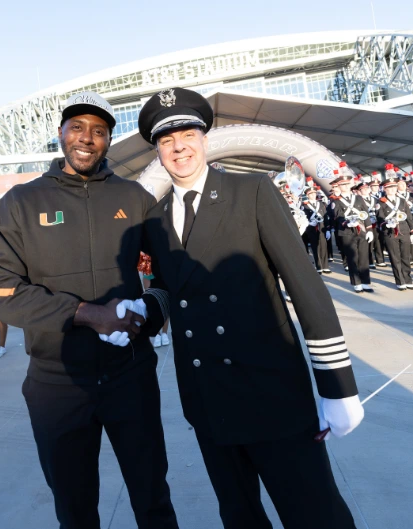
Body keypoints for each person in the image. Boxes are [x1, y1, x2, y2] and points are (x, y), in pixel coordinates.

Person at [137, 87, 362, 529]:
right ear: (158, 150)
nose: (178, 147)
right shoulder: (155, 218)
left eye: (186, 135)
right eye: (166, 140)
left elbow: (305, 286)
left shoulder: (251, 190)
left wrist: (338, 386)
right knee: (239, 516)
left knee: (315, 513)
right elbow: (167, 288)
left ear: (204, 139)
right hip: (207, 400)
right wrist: (140, 311)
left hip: (272, 395)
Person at [0, 91, 179, 529]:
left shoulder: (136, 197)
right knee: (74, 507)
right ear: (61, 134)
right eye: (78, 128)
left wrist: (148, 309)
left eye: (99, 131)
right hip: (57, 382)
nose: (87, 139)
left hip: (131, 376)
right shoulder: (20, 203)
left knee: (153, 498)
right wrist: (87, 314)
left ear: (108, 140)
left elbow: (173, 273)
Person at [377, 174, 413, 290]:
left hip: (404, 231)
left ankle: (408, 280)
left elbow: (409, 217)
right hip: (390, 233)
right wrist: (387, 224)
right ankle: (400, 281)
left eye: (394, 187)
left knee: (406, 257)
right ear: (385, 189)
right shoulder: (381, 202)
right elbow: (380, 219)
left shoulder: (402, 200)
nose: (392, 190)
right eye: (389, 188)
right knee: (395, 258)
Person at [302, 187, 331, 273]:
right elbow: (303, 217)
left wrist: (328, 229)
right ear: (307, 195)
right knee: (315, 247)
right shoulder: (305, 205)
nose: (313, 195)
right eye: (311, 194)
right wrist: (309, 223)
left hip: (322, 228)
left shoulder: (321, 204)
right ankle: (318, 266)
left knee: (324, 246)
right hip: (311, 229)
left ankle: (325, 266)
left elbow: (326, 217)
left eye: (314, 193)